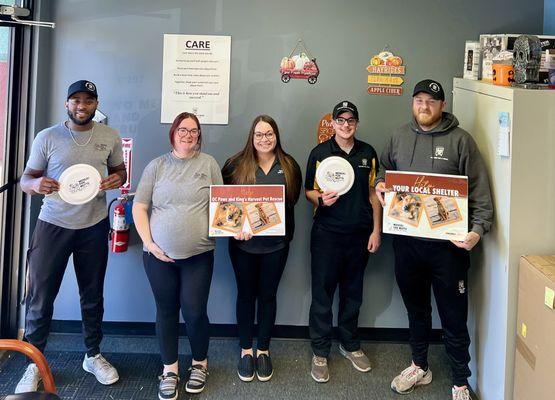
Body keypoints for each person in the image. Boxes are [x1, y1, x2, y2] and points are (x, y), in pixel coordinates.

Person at [375, 79, 493, 400]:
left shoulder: (461, 141)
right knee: (416, 311)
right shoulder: (399, 136)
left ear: (442, 106)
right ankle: (419, 366)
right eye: (418, 100)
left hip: (449, 248)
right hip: (408, 244)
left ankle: (459, 381)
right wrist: (381, 186)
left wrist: (476, 232)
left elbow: (481, 194)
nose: (423, 106)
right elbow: (384, 171)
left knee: (454, 317)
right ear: (412, 103)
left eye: (431, 101)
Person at [17, 80, 126, 393]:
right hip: (53, 225)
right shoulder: (48, 136)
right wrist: (35, 186)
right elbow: (27, 179)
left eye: (88, 101)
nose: (82, 106)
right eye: (76, 100)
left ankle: (93, 355)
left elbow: (121, 173)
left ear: (96, 104)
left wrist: (116, 179)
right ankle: (34, 364)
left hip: (93, 225)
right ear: (67, 104)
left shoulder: (109, 136)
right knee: (40, 297)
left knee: (92, 296)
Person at [132, 112, 222, 399]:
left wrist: (240, 226)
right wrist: (150, 243)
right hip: (158, 257)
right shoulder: (156, 166)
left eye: (194, 131)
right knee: (166, 311)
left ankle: (199, 364)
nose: (188, 135)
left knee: (195, 312)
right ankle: (170, 369)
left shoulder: (208, 164)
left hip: (198, 255)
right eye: (182, 130)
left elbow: (224, 205)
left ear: (199, 135)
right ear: (173, 133)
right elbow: (139, 207)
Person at [305, 101, 382, 383]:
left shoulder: (368, 153)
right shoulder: (320, 153)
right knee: (322, 295)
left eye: (351, 120)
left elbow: (375, 195)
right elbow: (308, 192)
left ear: (356, 124)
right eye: (341, 120)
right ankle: (320, 351)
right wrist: (320, 199)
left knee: (353, 294)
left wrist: (376, 231)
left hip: (359, 235)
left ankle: (350, 344)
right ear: (333, 123)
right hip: (326, 235)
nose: (346, 125)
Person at [221, 115, 302, 382]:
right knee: (245, 295)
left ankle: (264, 350)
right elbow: (223, 206)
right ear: (251, 137)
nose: (264, 139)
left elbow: (292, 201)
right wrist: (236, 227)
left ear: (276, 136)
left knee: (268, 296)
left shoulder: (289, 165)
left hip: (276, 246)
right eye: (259, 134)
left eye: (269, 134)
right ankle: (246, 350)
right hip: (243, 246)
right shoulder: (234, 164)